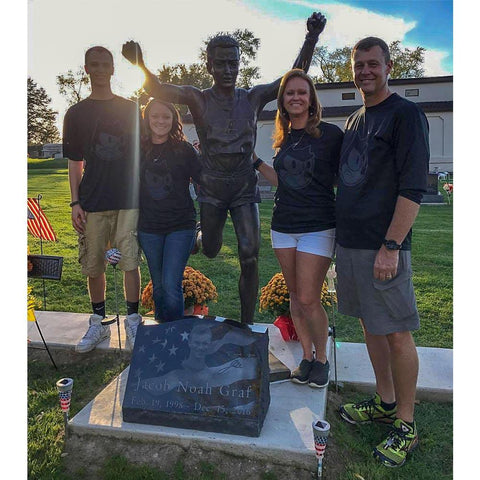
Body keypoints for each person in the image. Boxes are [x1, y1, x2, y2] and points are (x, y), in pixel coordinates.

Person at [121, 11, 327, 324]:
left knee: (249, 254)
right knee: (213, 250)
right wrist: (139, 64)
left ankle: (246, 324)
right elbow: (159, 89)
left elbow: (294, 76)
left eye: (234, 63)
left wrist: (311, 37)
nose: (228, 70)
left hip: (244, 186)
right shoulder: (197, 98)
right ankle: (203, 236)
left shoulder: (253, 97)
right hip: (213, 188)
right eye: (221, 63)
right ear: (209, 66)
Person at [335, 37, 429, 467]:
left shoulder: (405, 115)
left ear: (389, 67)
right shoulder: (355, 119)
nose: (365, 71)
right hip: (351, 244)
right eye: (359, 64)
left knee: (395, 331)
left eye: (373, 64)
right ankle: (385, 403)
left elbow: (413, 187)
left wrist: (391, 245)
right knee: (370, 327)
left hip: (383, 245)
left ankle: (405, 426)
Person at [254, 69, 343, 388]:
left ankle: (322, 360)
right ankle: (306, 357)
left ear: (311, 99)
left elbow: (343, 178)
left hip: (318, 225)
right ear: (282, 101)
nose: (295, 97)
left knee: (308, 297)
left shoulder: (331, 135)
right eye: (289, 93)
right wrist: (255, 162)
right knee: (294, 295)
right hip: (283, 226)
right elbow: (284, 183)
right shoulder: (283, 137)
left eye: (301, 92)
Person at [63, 46, 142, 352]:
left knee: (129, 262)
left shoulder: (131, 109)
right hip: (92, 200)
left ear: (113, 69)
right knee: (94, 265)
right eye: (93, 65)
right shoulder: (76, 113)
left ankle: (133, 320)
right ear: (86, 69)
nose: (99, 69)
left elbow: (141, 154)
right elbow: (74, 162)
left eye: (104, 64)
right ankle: (98, 324)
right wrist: (75, 202)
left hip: (127, 200)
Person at [138, 99, 201, 323]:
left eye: (166, 116)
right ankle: (160, 337)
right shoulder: (139, 150)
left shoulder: (184, 150)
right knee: (158, 287)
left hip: (180, 225)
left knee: (171, 285)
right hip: (148, 227)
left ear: (174, 120)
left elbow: (204, 181)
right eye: (155, 116)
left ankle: (175, 337)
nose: (160, 121)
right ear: (147, 118)